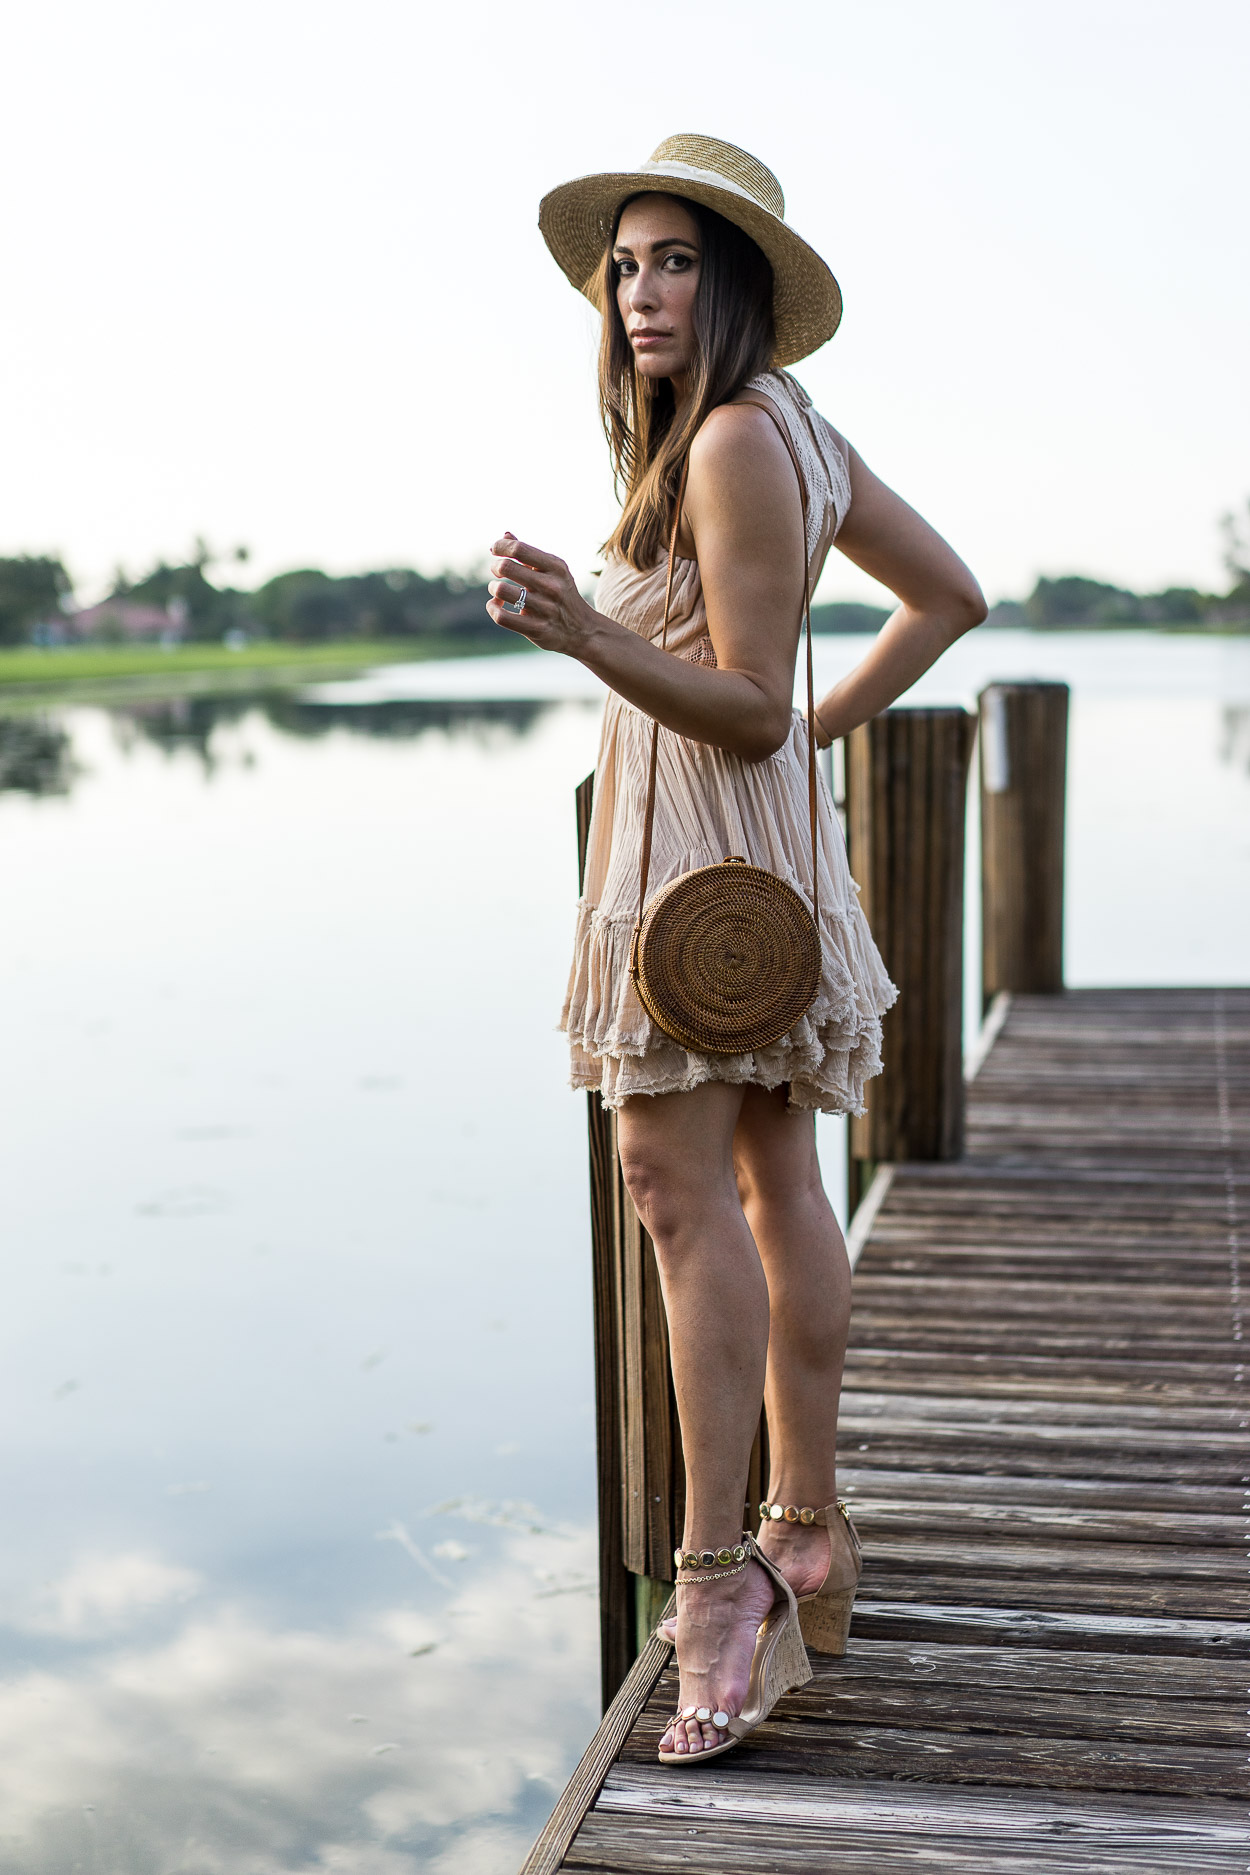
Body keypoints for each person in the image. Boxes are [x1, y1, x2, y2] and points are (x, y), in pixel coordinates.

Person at [486, 135, 985, 1765]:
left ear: (739, 282)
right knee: (771, 1181)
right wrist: (805, 764)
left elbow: (756, 700)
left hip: (700, 869)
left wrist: (591, 635)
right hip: (744, 850)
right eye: (622, 263)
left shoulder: (731, 442)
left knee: (676, 1193)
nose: (639, 291)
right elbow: (944, 599)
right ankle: (810, 1528)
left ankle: (714, 1584)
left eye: (675, 260)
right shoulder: (786, 430)